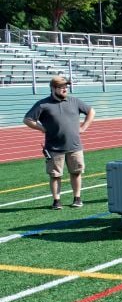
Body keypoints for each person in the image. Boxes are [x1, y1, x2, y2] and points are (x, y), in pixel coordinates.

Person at [23, 76, 95, 209]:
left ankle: (77, 198)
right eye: (61, 87)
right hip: (54, 148)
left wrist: (84, 127)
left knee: (76, 172)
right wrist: (41, 128)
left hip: (75, 146)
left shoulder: (74, 101)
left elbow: (91, 111)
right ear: (53, 88)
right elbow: (27, 119)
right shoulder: (43, 104)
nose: (65, 89)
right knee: (55, 175)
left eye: (66, 87)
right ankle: (57, 201)